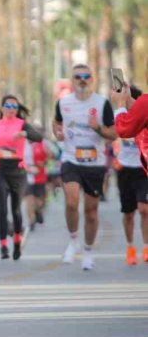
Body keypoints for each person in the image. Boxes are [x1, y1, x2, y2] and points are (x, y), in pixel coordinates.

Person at [53, 63, 116, 271]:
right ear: (72, 81)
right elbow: (57, 123)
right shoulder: (63, 103)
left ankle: (88, 251)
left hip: (95, 163)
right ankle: (73, 240)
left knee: (91, 211)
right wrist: (58, 133)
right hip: (71, 160)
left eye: (86, 76)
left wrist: (97, 128)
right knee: (71, 202)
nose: (82, 80)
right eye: (78, 76)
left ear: (92, 79)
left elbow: (114, 133)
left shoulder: (102, 103)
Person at [0, 95, 43, 261]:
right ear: (1, 108)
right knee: (2, 210)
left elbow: (38, 137)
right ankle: (3, 246)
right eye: (8, 106)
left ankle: (17, 242)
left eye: (14, 106)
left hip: (17, 171)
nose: (11, 109)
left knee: (15, 209)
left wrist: (24, 133)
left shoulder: (21, 124)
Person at [111, 72, 148, 264]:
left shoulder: (143, 105)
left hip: (142, 171)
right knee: (129, 212)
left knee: (144, 209)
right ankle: (131, 247)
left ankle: (146, 247)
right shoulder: (142, 105)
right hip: (126, 168)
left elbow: (123, 129)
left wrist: (119, 105)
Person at [23, 125, 49, 236]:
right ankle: (31, 221)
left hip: (40, 176)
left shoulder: (42, 143)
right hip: (26, 176)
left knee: (39, 202)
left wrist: (43, 163)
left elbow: (49, 156)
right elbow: (18, 159)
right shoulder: (22, 144)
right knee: (29, 200)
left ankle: (38, 211)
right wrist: (26, 168)